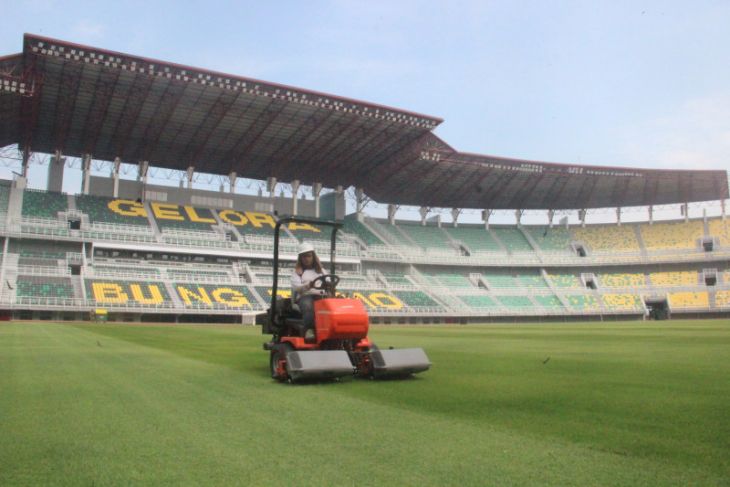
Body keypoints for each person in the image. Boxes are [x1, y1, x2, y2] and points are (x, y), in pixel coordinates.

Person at [290, 241, 325, 336]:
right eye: (304, 256)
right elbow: (297, 288)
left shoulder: (321, 271)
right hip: (305, 296)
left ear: (313, 257)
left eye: (309, 256)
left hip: (321, 296)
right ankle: (309, 331)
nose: (307, 259)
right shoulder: (297, 273)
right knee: (308, 306)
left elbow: (328, 280)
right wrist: (308, 285)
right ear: (300, 258)